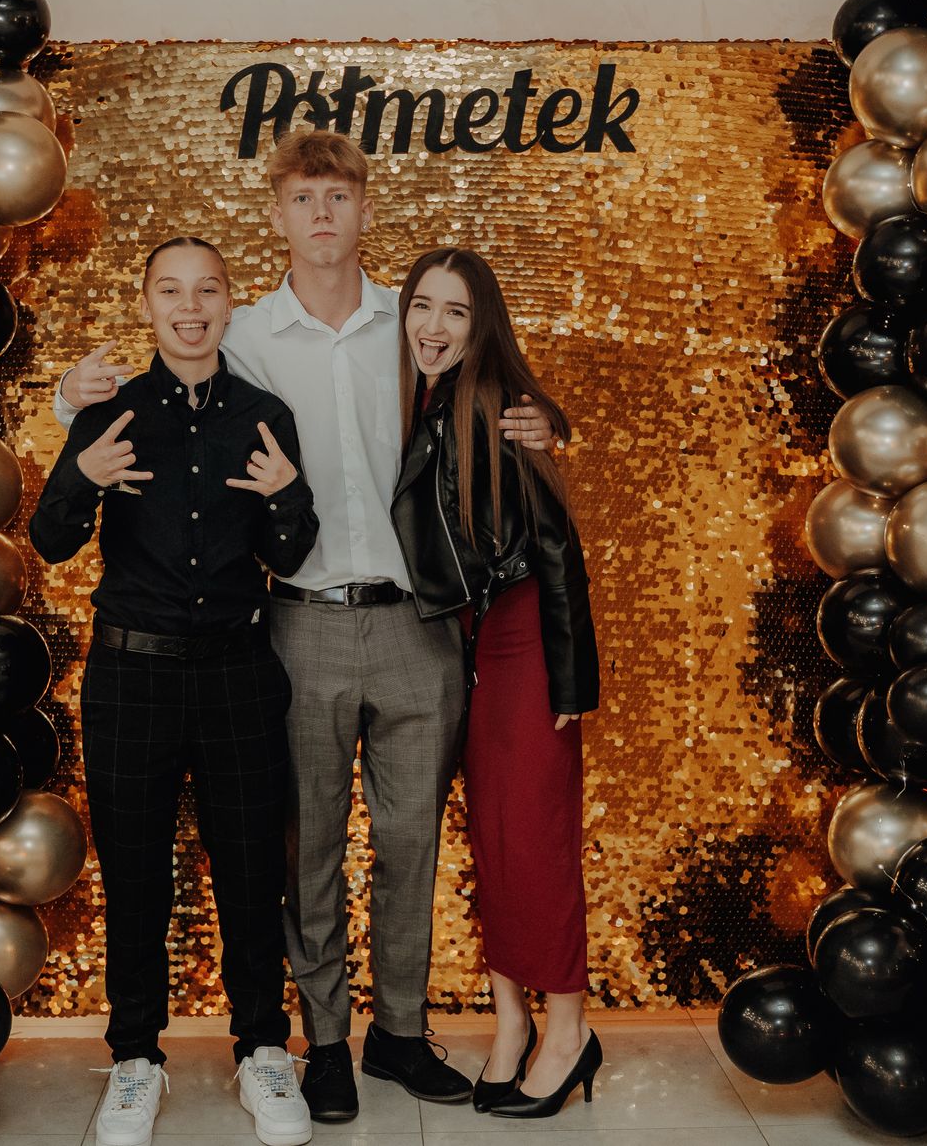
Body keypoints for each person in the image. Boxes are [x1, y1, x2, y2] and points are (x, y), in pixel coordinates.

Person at [56, 131, 558, 1124]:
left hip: (416, 621)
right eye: (302, 198)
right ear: (277, 215)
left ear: (365, 207)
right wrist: (69, 395)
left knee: (410, 840)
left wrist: (544, 422)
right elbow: (160, 377)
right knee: (305, 849)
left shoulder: (411, 322)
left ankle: (399, 1031)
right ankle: (322, 1041)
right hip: (295, 621)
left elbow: (496, 386)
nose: (321, 214)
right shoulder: (240, 333)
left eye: (337, 196)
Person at [31, 237, 319, 1146]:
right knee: (134, 874)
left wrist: (287, 495)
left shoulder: (266, 416)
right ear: (148, 304)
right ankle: (134, 1059)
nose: (189, 307)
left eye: (206, 290)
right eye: (171, 291)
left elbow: (290, 555)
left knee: (251, 870)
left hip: (239, 671)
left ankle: (263, 1048)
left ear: (229, 302)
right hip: (132, 676)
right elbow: (49, 540)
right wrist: (82, 476)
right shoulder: (108, 411)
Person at [388, 246, 602, 1118]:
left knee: (534, 841)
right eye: (421, 306)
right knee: (495, 840)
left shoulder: (502, 407)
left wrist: (570, 680)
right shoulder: (422, 399)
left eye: (456, 312)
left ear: (483, 327)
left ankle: (570, 1028)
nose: (434, 326)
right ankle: (512, 1023)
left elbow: (556, 543)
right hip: (466, 647)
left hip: (522, 645)